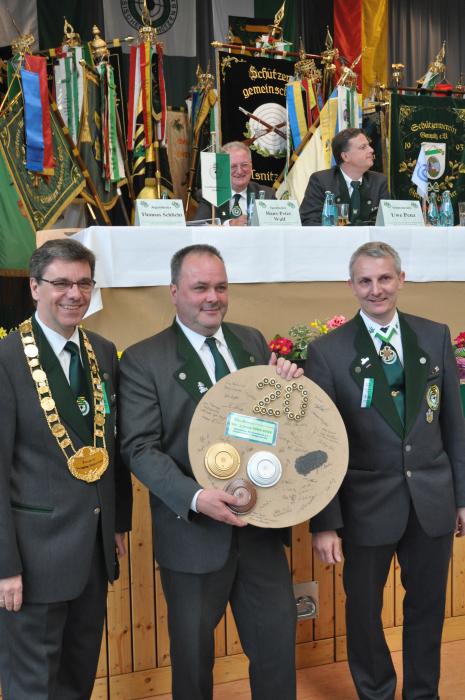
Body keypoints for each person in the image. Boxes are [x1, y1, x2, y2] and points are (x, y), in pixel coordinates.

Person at [119, 244, 301, 700]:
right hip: (193, 536)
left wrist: (288, 391)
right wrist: (197, 498)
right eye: (200, 287)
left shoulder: (252, 342)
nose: (212, 297)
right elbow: (139, 448)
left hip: (259, 533)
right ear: (174, 291)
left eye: (221, 287)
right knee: (193, 665)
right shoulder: (143, 359)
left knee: (277, 652)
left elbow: (271, 426)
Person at [306, 241, 465, 700]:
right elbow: (319, 444)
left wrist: (462, 498)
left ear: (401, 279)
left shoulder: (433, 335)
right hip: (365, 508)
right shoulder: (328, 352)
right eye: (365, 281)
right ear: (351, 285)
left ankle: (422, 694)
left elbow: (454, 424)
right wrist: (325, 523)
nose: (376, 289)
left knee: (428, 609)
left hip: (431, 501)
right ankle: (376, 692)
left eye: (384, 278)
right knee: (364, 613)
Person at [0, 238, 132, 700]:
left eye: (84, 283)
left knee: (78, 680)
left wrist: (118, 523)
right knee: (32, 687)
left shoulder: (103, 350)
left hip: (92, 551)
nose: (74, 294)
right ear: (34, 287)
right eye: (61, 283)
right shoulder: (6, 359)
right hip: (32, 561)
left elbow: (111, 445)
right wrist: (4, 567)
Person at [299, 127, 389, 226]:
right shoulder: (321, 181)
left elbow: (388, 222)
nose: (371, 150)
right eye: (363, 147)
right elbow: (308, 221)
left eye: (369, 145)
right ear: (345, 156)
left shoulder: (380, 182)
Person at [192, 141, 275, 225]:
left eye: (244, 165)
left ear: (251, 166)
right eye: (233, 166)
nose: (239, 171)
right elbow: (199, 226)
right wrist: (230, 224)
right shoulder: (210, 195)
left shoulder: (267, 195)